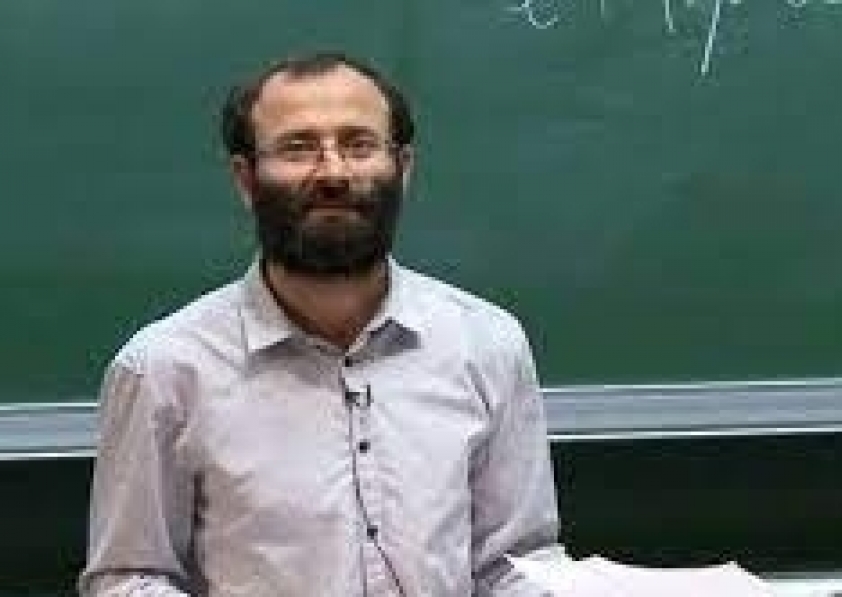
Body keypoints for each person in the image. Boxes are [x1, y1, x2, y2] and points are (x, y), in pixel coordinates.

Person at [80, 51, 562, 597]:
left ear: (403, 169)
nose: (333, 173)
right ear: (246, 179)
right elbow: (129, 579)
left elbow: (516, 565)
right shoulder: (165, 369)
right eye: (298, 148)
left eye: (359, 145)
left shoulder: (487, 344)